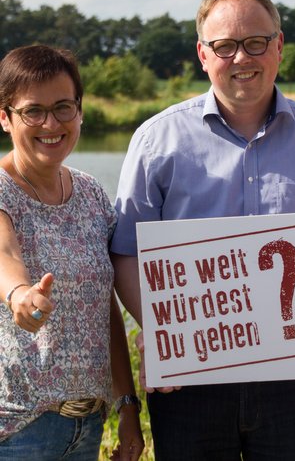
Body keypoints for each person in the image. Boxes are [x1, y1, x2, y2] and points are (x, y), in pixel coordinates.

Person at [111, 0, 295, 460]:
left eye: (255, 42)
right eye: (224, 46)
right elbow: (127, 251)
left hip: (294, 375)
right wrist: (168, 334)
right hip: (191, 381)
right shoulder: (155, 141)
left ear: (279, 47)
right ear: (203, 55)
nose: (241, 57)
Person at [0, 45, 144, 460]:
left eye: (63, 107)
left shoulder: (92, 195)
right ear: (5, 117)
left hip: (87, 427)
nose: (51, 123)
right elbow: (4, 252)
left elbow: (105, 310)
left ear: (80, 111)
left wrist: (127, 406)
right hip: (16, 431)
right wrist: (19, 295)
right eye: (33, 111)